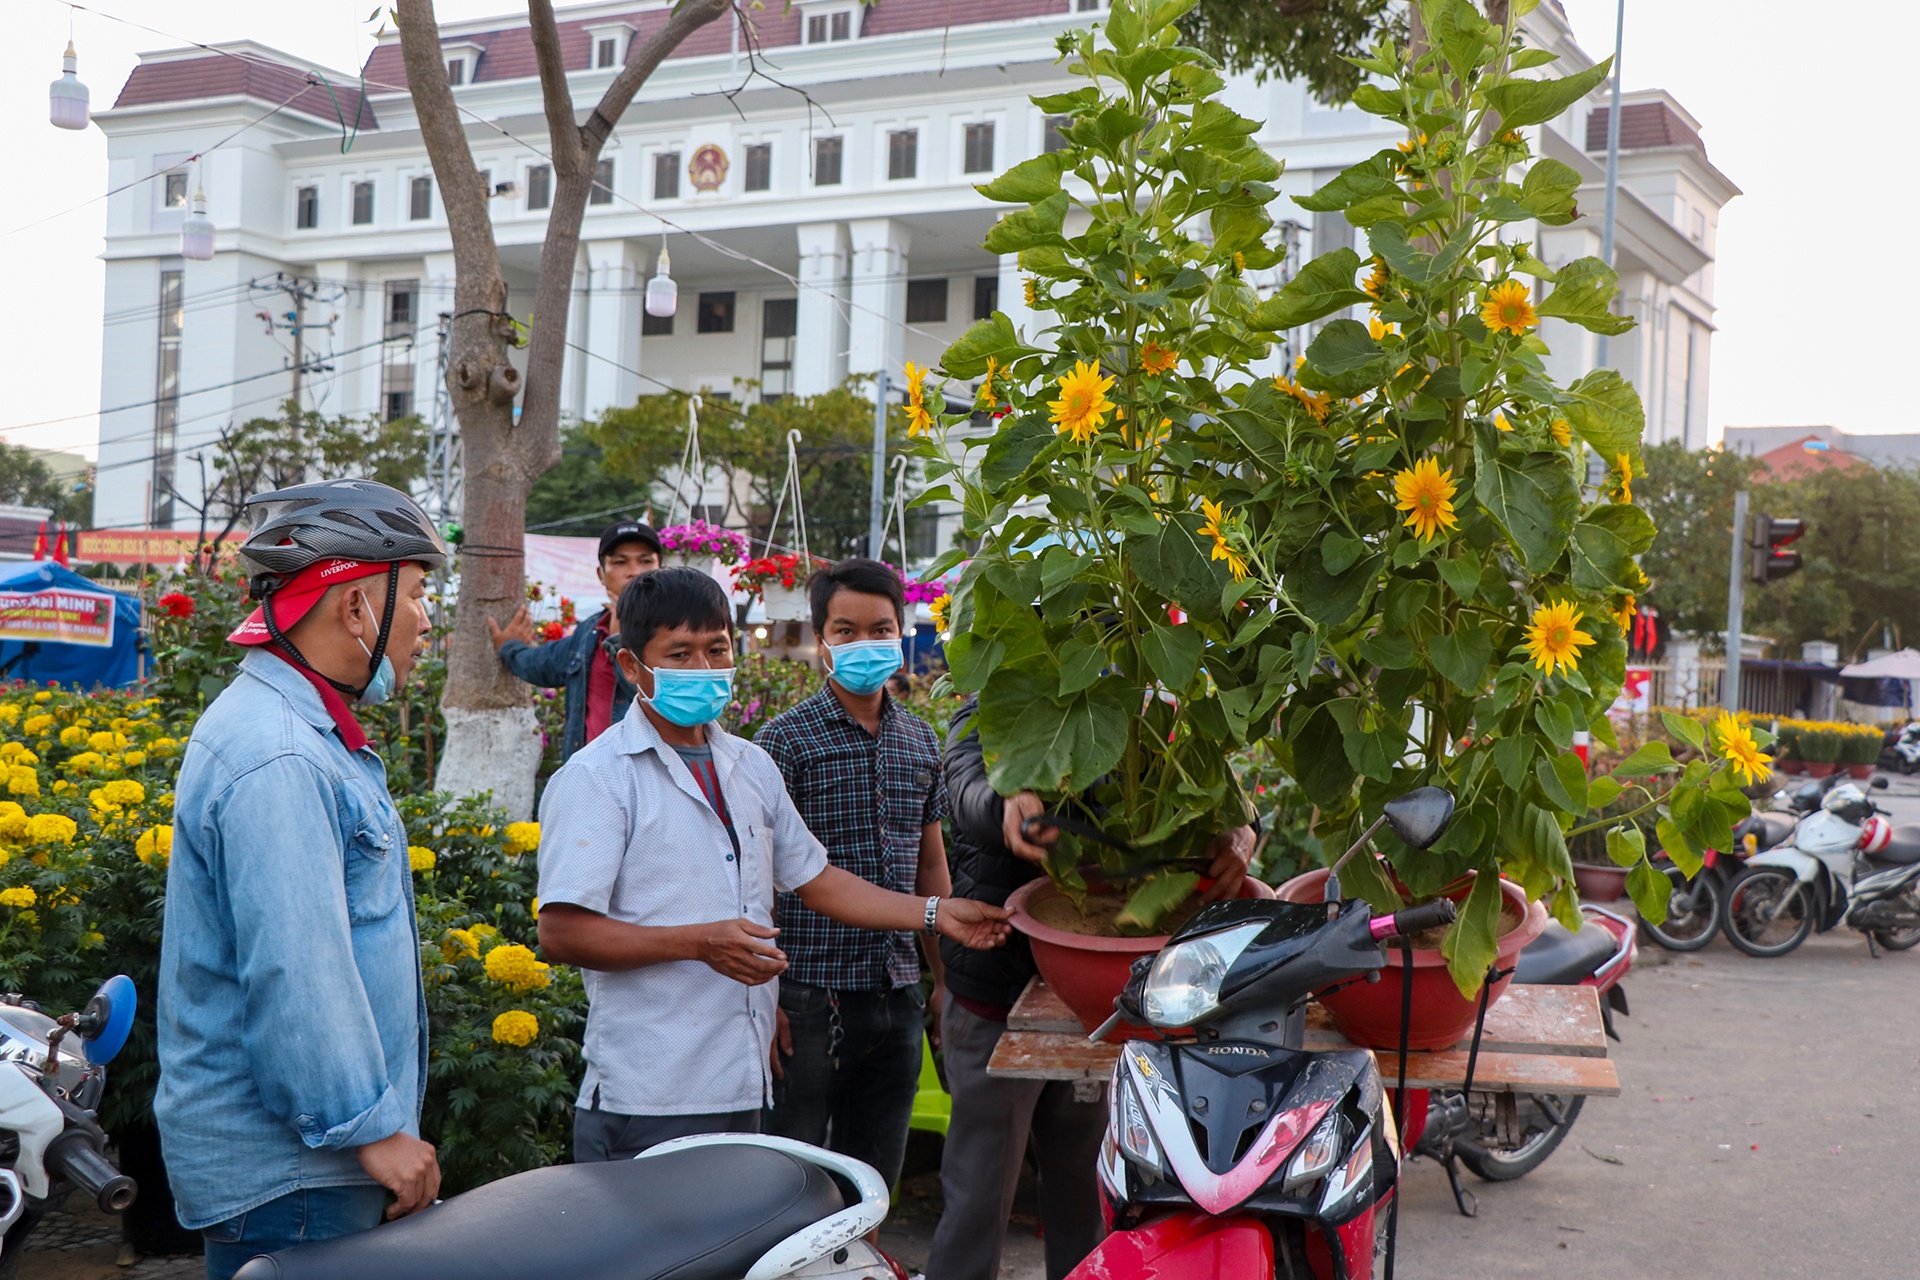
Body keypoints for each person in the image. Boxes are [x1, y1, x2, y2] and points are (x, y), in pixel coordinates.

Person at [534, 567, 1011, 1162]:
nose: (704, 669)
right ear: (632, 667)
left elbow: (818, 880)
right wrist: (701, 942)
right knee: (657, 1254)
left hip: (741, 1078)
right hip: (648, 1090)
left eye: (716, 649)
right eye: (679, 654)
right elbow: (561, 931)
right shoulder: (597, 778)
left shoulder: (750, 766)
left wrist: (938, 913)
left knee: (748, 1249)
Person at [156, 480, 447, 1280]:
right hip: (301, 1178)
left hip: (305, 1171)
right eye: (417, 595)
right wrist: (371, 1129)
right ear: (355, 609)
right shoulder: (281, 755)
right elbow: (297, 968)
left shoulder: (293, 732)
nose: (425, 620)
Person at [927, 696, 1256, 1280]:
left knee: (1089, 1187)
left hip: (1102, 999)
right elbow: (966, 785)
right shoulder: (998, 694)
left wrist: (1241, 832)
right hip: (998, 991)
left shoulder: (1140, 701)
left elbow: (1224, 798)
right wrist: (1006, 801)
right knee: (980, 1192)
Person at [755, 558, 949, 1194]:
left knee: (874, 1182)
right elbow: (757, 879)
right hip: (809, 995)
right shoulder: (784, 742)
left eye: (880, 628)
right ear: (821, 639)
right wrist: (768, 998)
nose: (865, 644)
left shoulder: (921, 741)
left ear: (902, 631)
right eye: (846, 630)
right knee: (792, 1181)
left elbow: (932, 867)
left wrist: (943, 982)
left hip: (897, 993)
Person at [489, 520, 661, 760]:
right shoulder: (590, 630)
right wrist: (510, 647)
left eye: (646, 561)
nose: (634, 571)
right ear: (601, 574)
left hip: (645, 775)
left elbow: (654, 698)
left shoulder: (674, 632)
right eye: (620, 562)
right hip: (588, 774)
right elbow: (543, 665)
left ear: (660, 569)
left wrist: (620, 639)